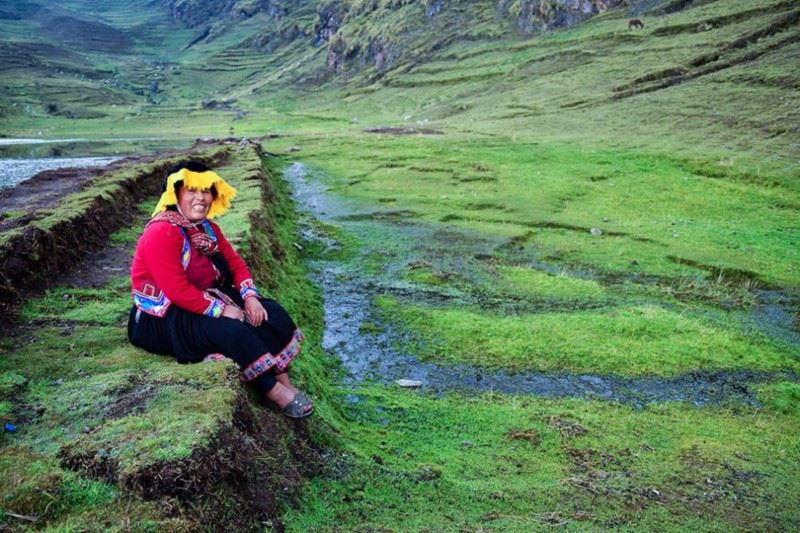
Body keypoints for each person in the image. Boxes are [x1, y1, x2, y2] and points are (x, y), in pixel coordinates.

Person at [127, 161, 313, 418]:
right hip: (162, 317)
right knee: (231, 330)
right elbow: (177, 290)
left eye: (206, 191)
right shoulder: (161, 232)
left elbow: (236, 264)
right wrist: (222, 309)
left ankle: (283, 379)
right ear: (174, 193)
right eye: (192, 190)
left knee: (270, 313)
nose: (201, 198)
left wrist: (250, 298)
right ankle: (274, 392)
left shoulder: (207, 228)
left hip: (202, 297)